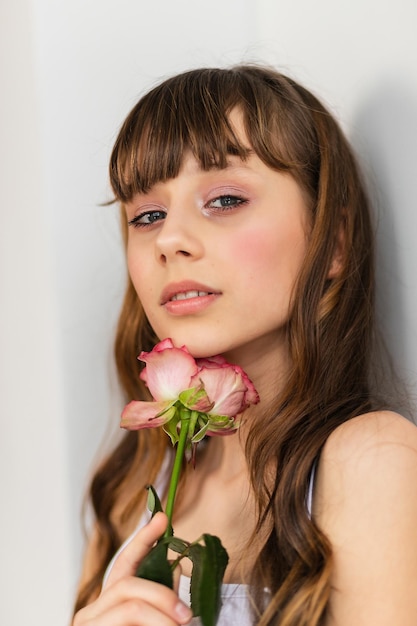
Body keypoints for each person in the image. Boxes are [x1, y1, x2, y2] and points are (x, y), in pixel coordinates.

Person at [72, 65, 417, 626]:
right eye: (148, 215)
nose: (171, 240)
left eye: (226, 200)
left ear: (333, 242)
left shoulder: (372, 462)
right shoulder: (131, 491)